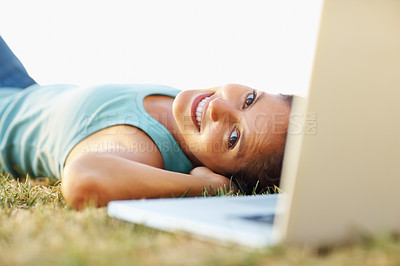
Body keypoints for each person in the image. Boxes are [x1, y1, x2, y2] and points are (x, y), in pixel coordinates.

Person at [0, 35, 293, 209]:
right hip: (21, 86)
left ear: (223, 174)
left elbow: (84, 179)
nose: (218, 106)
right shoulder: (187, 115)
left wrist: (206, 188)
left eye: (233, 138)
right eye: (250, 100)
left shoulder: (143, 147)